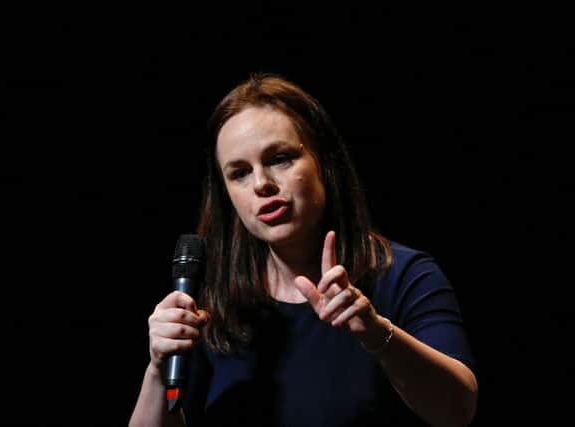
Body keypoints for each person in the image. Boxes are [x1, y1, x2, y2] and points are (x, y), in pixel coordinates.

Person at [129, 72, 478, 427]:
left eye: (279, 158)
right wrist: (158, 370)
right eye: (239, 173)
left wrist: (376, 335)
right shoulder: (210, 301)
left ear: (324, 163)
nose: (262, 184)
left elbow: (457, 411)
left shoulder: (403, 275)